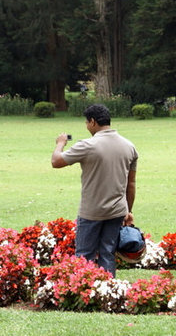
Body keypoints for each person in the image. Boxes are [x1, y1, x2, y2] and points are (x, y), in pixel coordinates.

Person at [51, 104, 138, 276]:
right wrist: (128, 211)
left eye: (86, 122)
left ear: (92, 122)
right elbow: (131, 184)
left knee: (84, 256)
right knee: (108, 254)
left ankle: (85, 292)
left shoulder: (87, 145)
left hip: (91, 212)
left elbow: (56, 161)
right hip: (117, 211)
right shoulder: (129, 146)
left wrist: (60, 143)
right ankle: (107, 293)